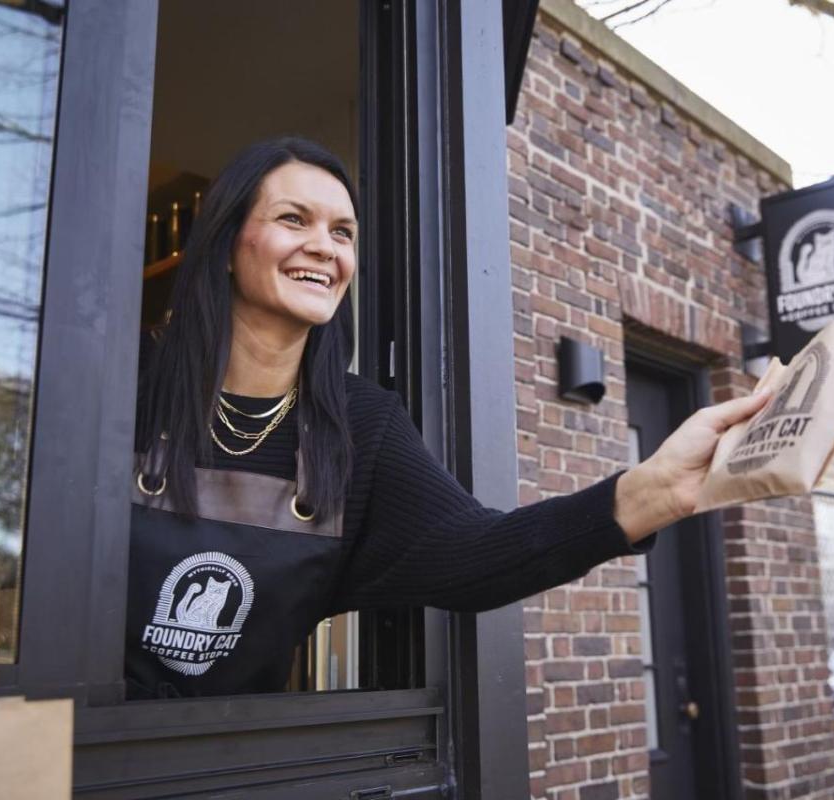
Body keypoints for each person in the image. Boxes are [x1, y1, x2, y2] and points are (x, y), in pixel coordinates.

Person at [126, 138, 769, 699]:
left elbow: (478, 555)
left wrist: (656, 490)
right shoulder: (129, 379)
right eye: (294, 220)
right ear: (227, 242)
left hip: (234, 761)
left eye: (343, 233)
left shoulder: (360, 423)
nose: (324, 247)